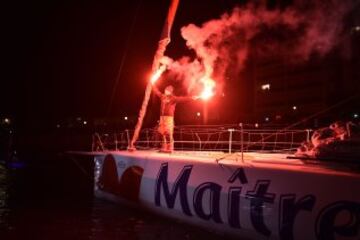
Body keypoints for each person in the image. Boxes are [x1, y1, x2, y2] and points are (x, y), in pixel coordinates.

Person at [152, 83, 198, 153]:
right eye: (165, 90)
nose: (165, 91)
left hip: (169, 118)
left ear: (170, 91)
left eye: (167, 90)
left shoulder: (173, 98)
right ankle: (164, 148)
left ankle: (170, 148)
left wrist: (191, 97)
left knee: (169, 133)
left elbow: (183, 99)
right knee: (162, 132)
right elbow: (157, 91)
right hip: (162, 118)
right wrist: (153, 84)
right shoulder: (162, 96)